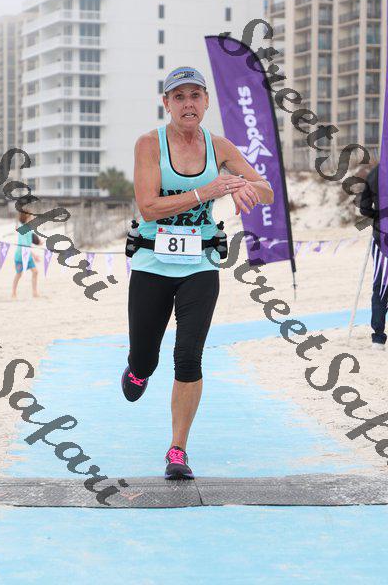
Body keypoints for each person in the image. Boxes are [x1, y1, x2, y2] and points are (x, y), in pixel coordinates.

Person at [121, 66, 274, 479]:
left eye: (195, 96)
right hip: (152, 263)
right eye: (179, 97)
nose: (188, 104)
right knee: (146, 358)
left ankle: (177, 450)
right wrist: (204, 191)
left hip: (200, 263)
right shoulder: (149, 144)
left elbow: (267, 190)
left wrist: (245, 186)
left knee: (188, 356)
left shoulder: (219, 146)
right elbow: (148, 207)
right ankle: (137, 369)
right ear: (166, 103)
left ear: (206, 101)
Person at [359, 163, 388, 350]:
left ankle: (378, 337)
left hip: (382, 236)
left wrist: (378, 215)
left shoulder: (374, 173)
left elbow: (364, 208)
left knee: (381, 286)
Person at [12, 210, 41, 299]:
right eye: (30, 217)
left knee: (35, 272)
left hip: (28, 255)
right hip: (20, 256)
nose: (32, 218)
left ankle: (34, 292)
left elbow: (32, 238)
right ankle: (13, 293)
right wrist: (34, 255)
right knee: (19, 274)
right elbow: (25, 246)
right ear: (26, 218)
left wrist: (39, 242)